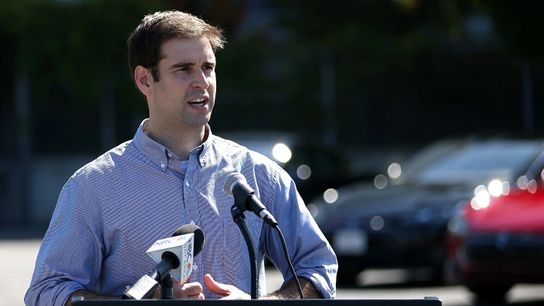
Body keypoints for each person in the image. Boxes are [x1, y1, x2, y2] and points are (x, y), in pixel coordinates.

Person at [25, 10, 337, 306]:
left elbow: (318, 269)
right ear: (145, 80)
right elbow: (47, 291)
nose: (202, 81)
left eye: (208, 67)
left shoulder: (260, 176)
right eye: (184, 69)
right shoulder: (93, 186)